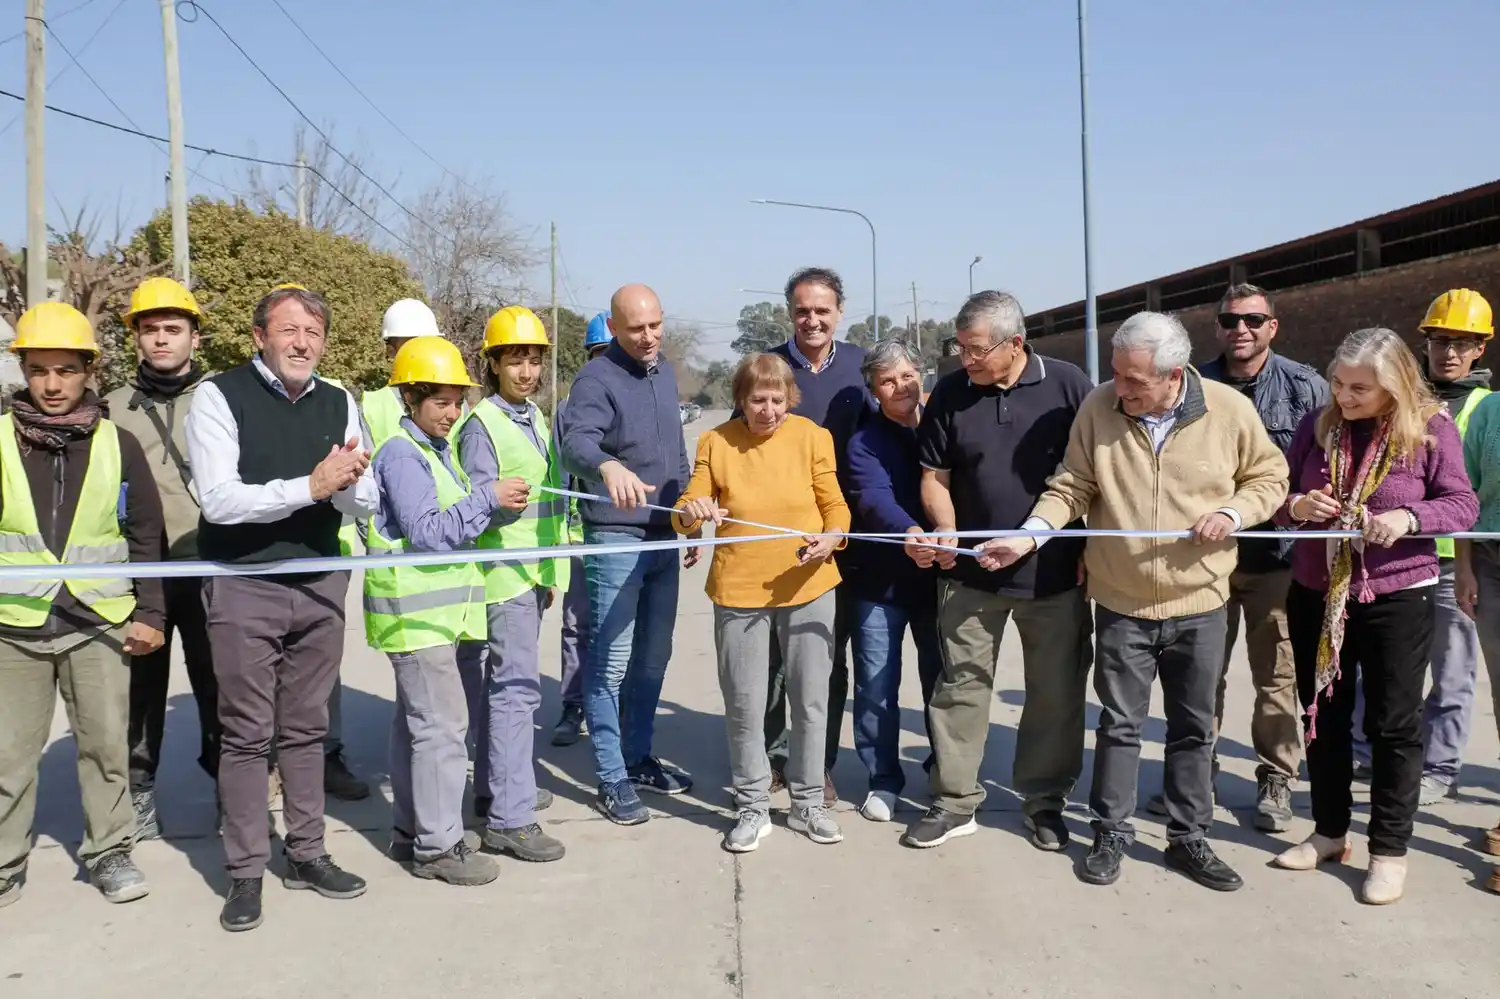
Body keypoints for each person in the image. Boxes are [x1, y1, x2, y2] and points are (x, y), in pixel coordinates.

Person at [983, 311, 1289, 892]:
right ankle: (1111, 831)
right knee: (1121, 725)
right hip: (1122, 603)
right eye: (1118, 375)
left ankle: (1188, 837)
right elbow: (1073, 484)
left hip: (1200, 602)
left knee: (1194, 727)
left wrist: (1232, 514)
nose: (1120, 389)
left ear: (1174, 377)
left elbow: (1269, 479)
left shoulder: (1228, 411)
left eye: (1135, 381)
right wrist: (1030, 534)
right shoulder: (1099, 407)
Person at [186, 284, 379, 932]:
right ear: (259, 337)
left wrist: (351, 489)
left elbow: (364, 497)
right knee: (245, 734)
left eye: (313, 332)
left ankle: (307, 852)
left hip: (320, 583)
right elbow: (219, 500)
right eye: (290, 329)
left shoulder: (339, 399)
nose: (302, 342)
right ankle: (245, 871)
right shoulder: (218, 395)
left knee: (306, 731)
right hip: (245, 586)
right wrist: (312, 485)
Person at [1272, 327, 1477, 905]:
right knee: (1324, 716)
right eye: (1338, 383)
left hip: (1395, 594)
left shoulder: (1429, 430)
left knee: (1392, 725)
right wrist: (1298, 505)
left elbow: (1462, 502)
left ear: (1394, 385)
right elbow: (1278, 495)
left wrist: (1409, 519)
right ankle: (1330, 833)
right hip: (1316, 590)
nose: (1344, 396)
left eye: (1360, 388)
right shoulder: (1321, 426)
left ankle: (1388, 850)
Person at [903, 291, 1094, 852]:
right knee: (960, 687)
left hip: (1054, 575)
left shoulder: (1068, 386)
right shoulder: (952, 394)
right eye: (959, 348)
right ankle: (954, 801)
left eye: (977, 349)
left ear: (1016, 343)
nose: (967, 359)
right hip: (969, 577)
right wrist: (947, 532)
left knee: (1054, 694)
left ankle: (1044, 802)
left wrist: (1088, 550)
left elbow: (1092, 473)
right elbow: (934, 476)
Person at [0, 302, 166, 910]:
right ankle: (4, 862)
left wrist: (152, 614)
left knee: (105, 748)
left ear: (87, 370)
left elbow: (147, 534)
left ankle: (109, 851)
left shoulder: (118, 443)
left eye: (65, 371)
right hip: (14, 626)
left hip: (98, 624)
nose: (51, 384)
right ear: (23, 370)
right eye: (38, 370)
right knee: (9, 754)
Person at [673, 353, 850, 851]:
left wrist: (833, 537)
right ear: (740, 400)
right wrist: (693, 513)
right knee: (745, 703)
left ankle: (809, 801)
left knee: (810, 699)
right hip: (739, 590)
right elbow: (684, 513)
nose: (767, 410)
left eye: (777, 399)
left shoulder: (814, 438)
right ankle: (752, 805)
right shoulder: (716, 442)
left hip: (809, 583)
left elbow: (835, 504)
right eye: (757, 400)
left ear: (790, 398)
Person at [366, 336, 522, 886]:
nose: (452, 413)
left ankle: (415, 831)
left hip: (437, 617)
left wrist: (489, 506)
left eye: (457, 401)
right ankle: (438, 846)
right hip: (417, 617)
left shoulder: (435, 451)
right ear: (410, 397)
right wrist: (487, 499)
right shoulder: (401, 455)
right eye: (440, 402)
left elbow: (455, 524)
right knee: (441, 730)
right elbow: (429, 533)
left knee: (416, 729)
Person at [1184, 283, 1328, 832]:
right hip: (1207, 557)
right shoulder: (1192, 384)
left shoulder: (1304, 386)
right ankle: (1198, 774)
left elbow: (1325, 460)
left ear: (1272, 325)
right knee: (1201, 674)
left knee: (1277, 677)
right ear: (1217, 327)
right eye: (1229, 319)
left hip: (1279, 558)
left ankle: (1276, 778)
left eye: (1252, 319)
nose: (1239, 329)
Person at [560, 284, 695, 825]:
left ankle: (638, 757)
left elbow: (677, 457)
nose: (649, 337)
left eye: (655, 325)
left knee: (653, 658)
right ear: (613, 328)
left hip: (665, 534)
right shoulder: (595, 379)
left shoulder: (664, 373)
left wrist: (687, 512)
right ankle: (612, 777)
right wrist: (607, 467)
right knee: (611, 663)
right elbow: (575, 444)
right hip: (617, 537)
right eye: (636, 328)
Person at [1354, 290, 1489, 806]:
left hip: (1457, 559)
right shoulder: (1402, 402)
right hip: (1397, 555)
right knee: (1379, 666)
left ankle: (1437, 767)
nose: (1448, 352)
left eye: (1462, 343)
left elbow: (1476, 494)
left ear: (1480, 349)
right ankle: (1370, 754)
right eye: (1438, 341)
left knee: (1452, 671)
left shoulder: (1486, 408)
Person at [453, 306, 569, 863]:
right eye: (514, 360)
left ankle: (500, 789)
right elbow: (478, 509)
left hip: (531, 573)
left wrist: (548, 573)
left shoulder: (531, 417)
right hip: (501, 576)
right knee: (515, 692)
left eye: (534, 360)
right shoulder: (482, 426)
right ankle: (510, 818)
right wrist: (499, 507)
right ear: (492, 363)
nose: (526, 371)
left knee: (508, 689)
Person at [110, 278, 219, 841]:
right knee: (140, 693)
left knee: (220, 686)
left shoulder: (223, 400)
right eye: (149, 330)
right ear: (136, 339)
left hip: (208, 568)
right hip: (140, 577)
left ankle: (231, 785)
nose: (160, 340)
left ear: (194, 337)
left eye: (172, 329)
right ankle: (141, 792)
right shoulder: (109, 410)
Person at [763, 267, 872, 804]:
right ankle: (774, 758)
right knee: (772, 663)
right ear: (790, 313)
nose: (812, 319)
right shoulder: (767, 368)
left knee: (827, 661)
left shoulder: (860, 368)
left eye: (822, 310)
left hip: (847, 538)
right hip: (777, 543)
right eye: (803, 310)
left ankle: (817, 763)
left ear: (839, 311)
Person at [842, 339, 950, 822]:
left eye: (907, 375)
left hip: (941, 579)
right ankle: (883, 779)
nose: (900, 386)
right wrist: (907, 531)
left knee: (943, 682)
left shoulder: (944, 421)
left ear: (920, 374)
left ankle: (944, 772)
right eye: (887, 381)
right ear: (874, 391)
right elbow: (873, 497)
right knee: (876, 686)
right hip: (880, 583)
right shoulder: (864, 442)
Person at [550, 310, 613, 747]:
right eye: (598, 354)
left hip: (626, 532)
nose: (605, 361)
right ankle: (573, 705)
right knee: (576, 624)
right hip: (578, 532)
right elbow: (558, 474)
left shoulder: (638, 397)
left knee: (622, 626)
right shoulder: (566, 408)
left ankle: (612, 706)